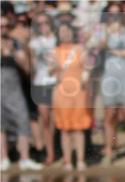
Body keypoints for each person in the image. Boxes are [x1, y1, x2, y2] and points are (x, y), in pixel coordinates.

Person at [99, 11, 125, 165]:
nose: (115, 19)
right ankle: (109, 152)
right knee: (110, 116)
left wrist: (114, 51)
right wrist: (107, 33)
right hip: (109, 78)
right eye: (112, 17)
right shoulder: (104, 33)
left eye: (117, 16)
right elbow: (100, 45)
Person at [1, 14, 42, 171]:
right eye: (1, 26)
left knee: (23, 119)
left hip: (14, 88)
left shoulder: (15, 43)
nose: (4, 29)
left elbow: (27, 69)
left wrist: (15, 54)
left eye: (6, 26)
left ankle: (24, 158)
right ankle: (3, 158)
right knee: (0, 124)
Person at [51, 22, 91, 171]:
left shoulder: (80, 49)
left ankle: (80, 160)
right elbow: (51, 72)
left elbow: (87, 67)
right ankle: (67, 161)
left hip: (79, 92)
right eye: (62, 31)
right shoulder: (54, 51)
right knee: (65, 129)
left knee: (79, 128)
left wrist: (86, 74)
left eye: (67, 31)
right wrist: (54, 67)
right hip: (61, 92)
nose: (65, 34)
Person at [27, 12, 57, 166]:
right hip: (40, 82)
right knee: (45, 119)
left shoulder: (57, 39)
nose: (43, 26)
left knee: (55, 120)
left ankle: (56, 150)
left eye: (46, 22)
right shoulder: (34, 43)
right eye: (40, 24)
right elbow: (32, 64)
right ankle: (49, 154)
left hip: (56, 82)